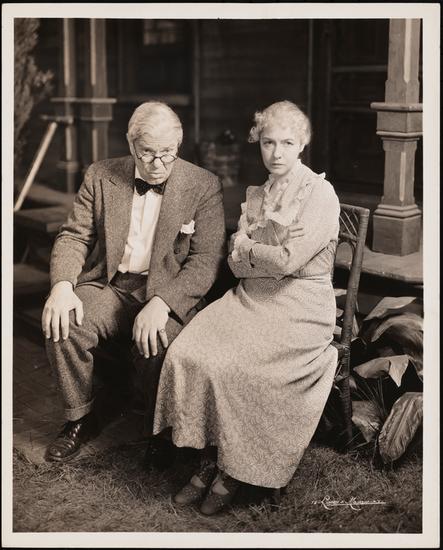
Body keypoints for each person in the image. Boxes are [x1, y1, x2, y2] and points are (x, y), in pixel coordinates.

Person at [152, 100, 340, 515]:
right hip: (251, 297)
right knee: (190, 350)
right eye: (268, 142)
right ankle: (209, 455)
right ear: (259, 143)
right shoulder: (258, 196)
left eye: (287, 143)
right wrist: (250, 254)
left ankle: (234, 471)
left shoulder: (319, 193)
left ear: (303, 143)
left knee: (241, 366)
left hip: (301, 306)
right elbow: (235, 266)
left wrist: (248, 247)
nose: (277, 153)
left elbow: (288, 260)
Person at [42, 101, 226, 463]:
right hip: (110, 285)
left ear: (178, 145)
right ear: (130, 144)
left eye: (167, 153)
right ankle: (80, 418)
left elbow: (205, 261)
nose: (157, 164)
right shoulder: (100, 175)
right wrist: (62, 285)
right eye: (147, 153)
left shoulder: (203, 185)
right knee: (64, 323)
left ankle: (160, 433)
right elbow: (74, 236)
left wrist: (163, 303)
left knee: (161, 342)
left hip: (165, 291)